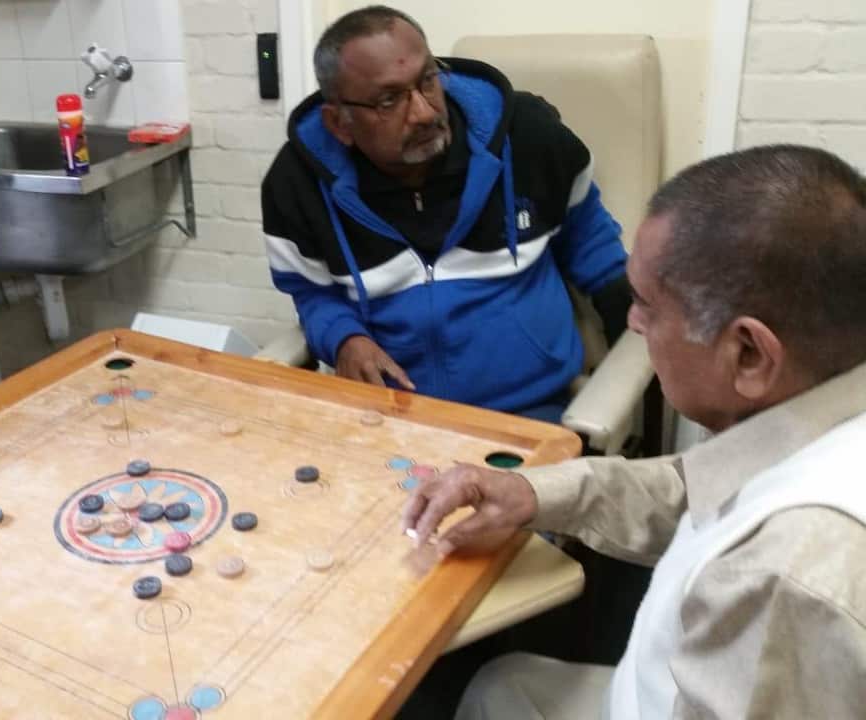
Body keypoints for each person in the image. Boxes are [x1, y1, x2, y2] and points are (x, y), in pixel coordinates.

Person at [403, 144, 866, 718]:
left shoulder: (783, 578)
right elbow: (698, 492)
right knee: (501, 683)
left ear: (749, 353)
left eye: (648, 304)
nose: (633, 322)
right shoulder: (823, 409)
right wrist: (530, 492)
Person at [262, 6, 631, 421]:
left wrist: (638, 350)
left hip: (526, 411)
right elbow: (311, 291)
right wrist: (343, 338)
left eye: (427, 80)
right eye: (389, 100)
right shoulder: (298, 183)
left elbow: (593, 246)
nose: (424, 112)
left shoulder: (530, 138)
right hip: (387, 415)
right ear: (339, 124)